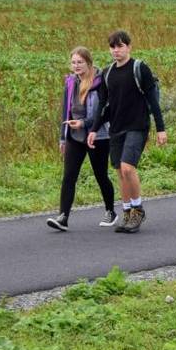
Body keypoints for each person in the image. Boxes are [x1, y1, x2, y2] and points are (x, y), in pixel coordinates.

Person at [88, 30, 166, 234]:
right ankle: (127, 211)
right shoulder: (107, 73)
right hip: (116, 128)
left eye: (120, 46)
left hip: (137, 126)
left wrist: (161, 129)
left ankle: (138, 210)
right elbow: (104, 107)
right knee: (119, 172)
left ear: (129, 47)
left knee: (127, 168)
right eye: (113, 47)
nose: (116, 50)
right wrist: (94, 129)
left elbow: (153, 102)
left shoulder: (140, 68)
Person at [47, 47, 116, 231]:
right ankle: (63, 217)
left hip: (98, 135)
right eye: (73, 62)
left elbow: (103, 112)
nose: (76, 66)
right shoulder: (70, 82)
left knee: (101, 176)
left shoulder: (101, 81)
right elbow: (66, 110)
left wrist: (84, 123)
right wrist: (63, 137)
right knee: (69, 176)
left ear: (89, 62)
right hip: (75, 136)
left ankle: (111, 211)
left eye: (80, 62)